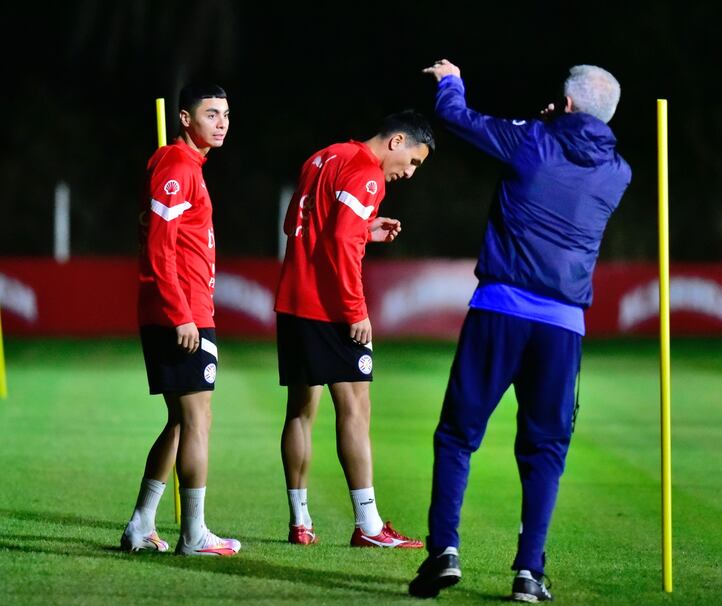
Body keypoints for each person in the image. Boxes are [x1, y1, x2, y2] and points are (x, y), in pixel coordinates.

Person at [409, 61, 631, 601]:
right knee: (545, 449)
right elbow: (575, 158)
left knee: (458, 435)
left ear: (567, 103)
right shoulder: (618, 172)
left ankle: (443, 553)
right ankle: (530, 572)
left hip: (501, 308)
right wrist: (560, 122)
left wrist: (451, 79)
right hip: (562, 328)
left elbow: (455, 116)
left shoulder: (533, 140)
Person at [274, 111, 434, 548]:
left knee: (301, 411)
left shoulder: (324, 156)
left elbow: (305, 225)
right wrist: (356, 310)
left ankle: (300, 521)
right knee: (356, 408)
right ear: (397, 140)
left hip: (293, 300)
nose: (409, 173)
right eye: (413, 161)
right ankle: (368, 526)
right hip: (329, 308)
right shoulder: (368, 173)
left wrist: (367, 229)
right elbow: (342, 244)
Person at [120, 83, 240, 557]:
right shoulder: (176, 165)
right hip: (182, 314)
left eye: (226, 114)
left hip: (186, 310)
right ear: (185, 119)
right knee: (197, 421)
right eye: (211, 114)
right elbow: (158, 248)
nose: (222, 122)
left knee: (179, 421)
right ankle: (194, 534)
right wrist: (181, 316)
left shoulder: (189, 166)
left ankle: (140, 525)